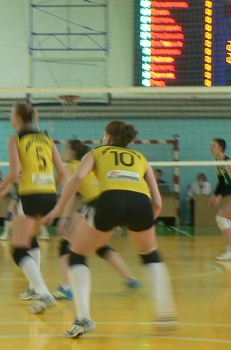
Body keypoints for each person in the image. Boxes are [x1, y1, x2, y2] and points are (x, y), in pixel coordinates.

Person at [43, 121, 178, 338]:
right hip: (141, 203)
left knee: (77, 256)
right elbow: (158, 202)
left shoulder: (97, 152)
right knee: (150, 255)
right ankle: (165, 312)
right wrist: (142, 224)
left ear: (107, 137)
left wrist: (58, 209)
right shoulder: (141, 158)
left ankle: (84, 318)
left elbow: (78, 178)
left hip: (109, 201)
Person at [0, 103, 66, 313]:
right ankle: (34, 288)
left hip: (31, 195)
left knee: (18, 250)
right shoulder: (47, 138)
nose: (10, 118)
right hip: (50, 195)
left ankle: (44, 293)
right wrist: (51, 189)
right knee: (30, 239)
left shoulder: (15, 138)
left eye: (11, 114)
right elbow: (63, 173)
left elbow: (15, 173)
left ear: (18, 117)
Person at [53, 139, 139, 300]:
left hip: (93, 204)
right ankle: (130, 279)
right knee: (99, 245)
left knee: (67, 244)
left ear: (72, 152)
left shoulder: (71, 166)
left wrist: (64, 218)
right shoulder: (90, 166)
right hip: (108, 203)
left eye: (65, 149)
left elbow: (70, 194)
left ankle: (67, 287)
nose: (63, 152)